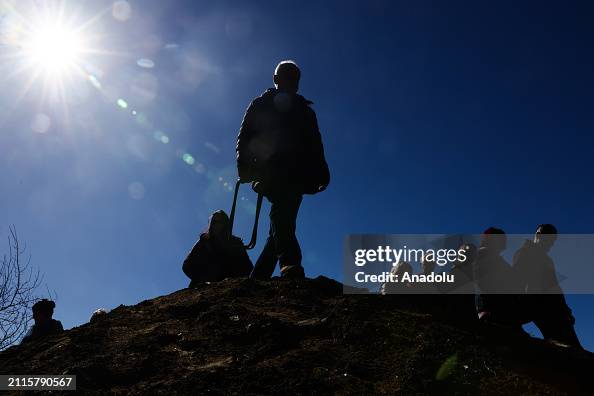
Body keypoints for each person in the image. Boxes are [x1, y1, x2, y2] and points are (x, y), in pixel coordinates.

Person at [236, 60, 330, 280]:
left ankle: (258, 276)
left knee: (281, 222)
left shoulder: (306, 112)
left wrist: (322, 172)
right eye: (287, 77)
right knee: (282, 213)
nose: (292, 82)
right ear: (276, 79)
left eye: (295, 79)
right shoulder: (261, 104)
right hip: (269, 169)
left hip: (297, 173)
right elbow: (246, 136)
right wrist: (244, 167)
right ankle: (290, 262)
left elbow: (315, 143)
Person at [513, 224, 582, 348]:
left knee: (569, 346)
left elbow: (554, 287)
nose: (551, 244)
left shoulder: (546, 259)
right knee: (570, 347)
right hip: (545, 308)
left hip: (553, 310)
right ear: (538, 235)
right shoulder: (525, 253)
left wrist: (565, 310)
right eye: (549, 240)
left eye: (553, 241)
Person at [182, 210, 254, 287]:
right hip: (206, 279)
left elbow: (248, 267)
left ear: (225, 224)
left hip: (230, 281)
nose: (214, 224)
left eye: (218, 221)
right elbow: (187, 265)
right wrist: (201, 278)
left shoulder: (235, 242)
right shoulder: (204, 241)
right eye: (213, 222)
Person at [474, 228, 527, 327]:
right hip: (493, 310)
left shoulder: (496, 259)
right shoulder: (483, 256)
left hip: (500, 310)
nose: (504, 243)